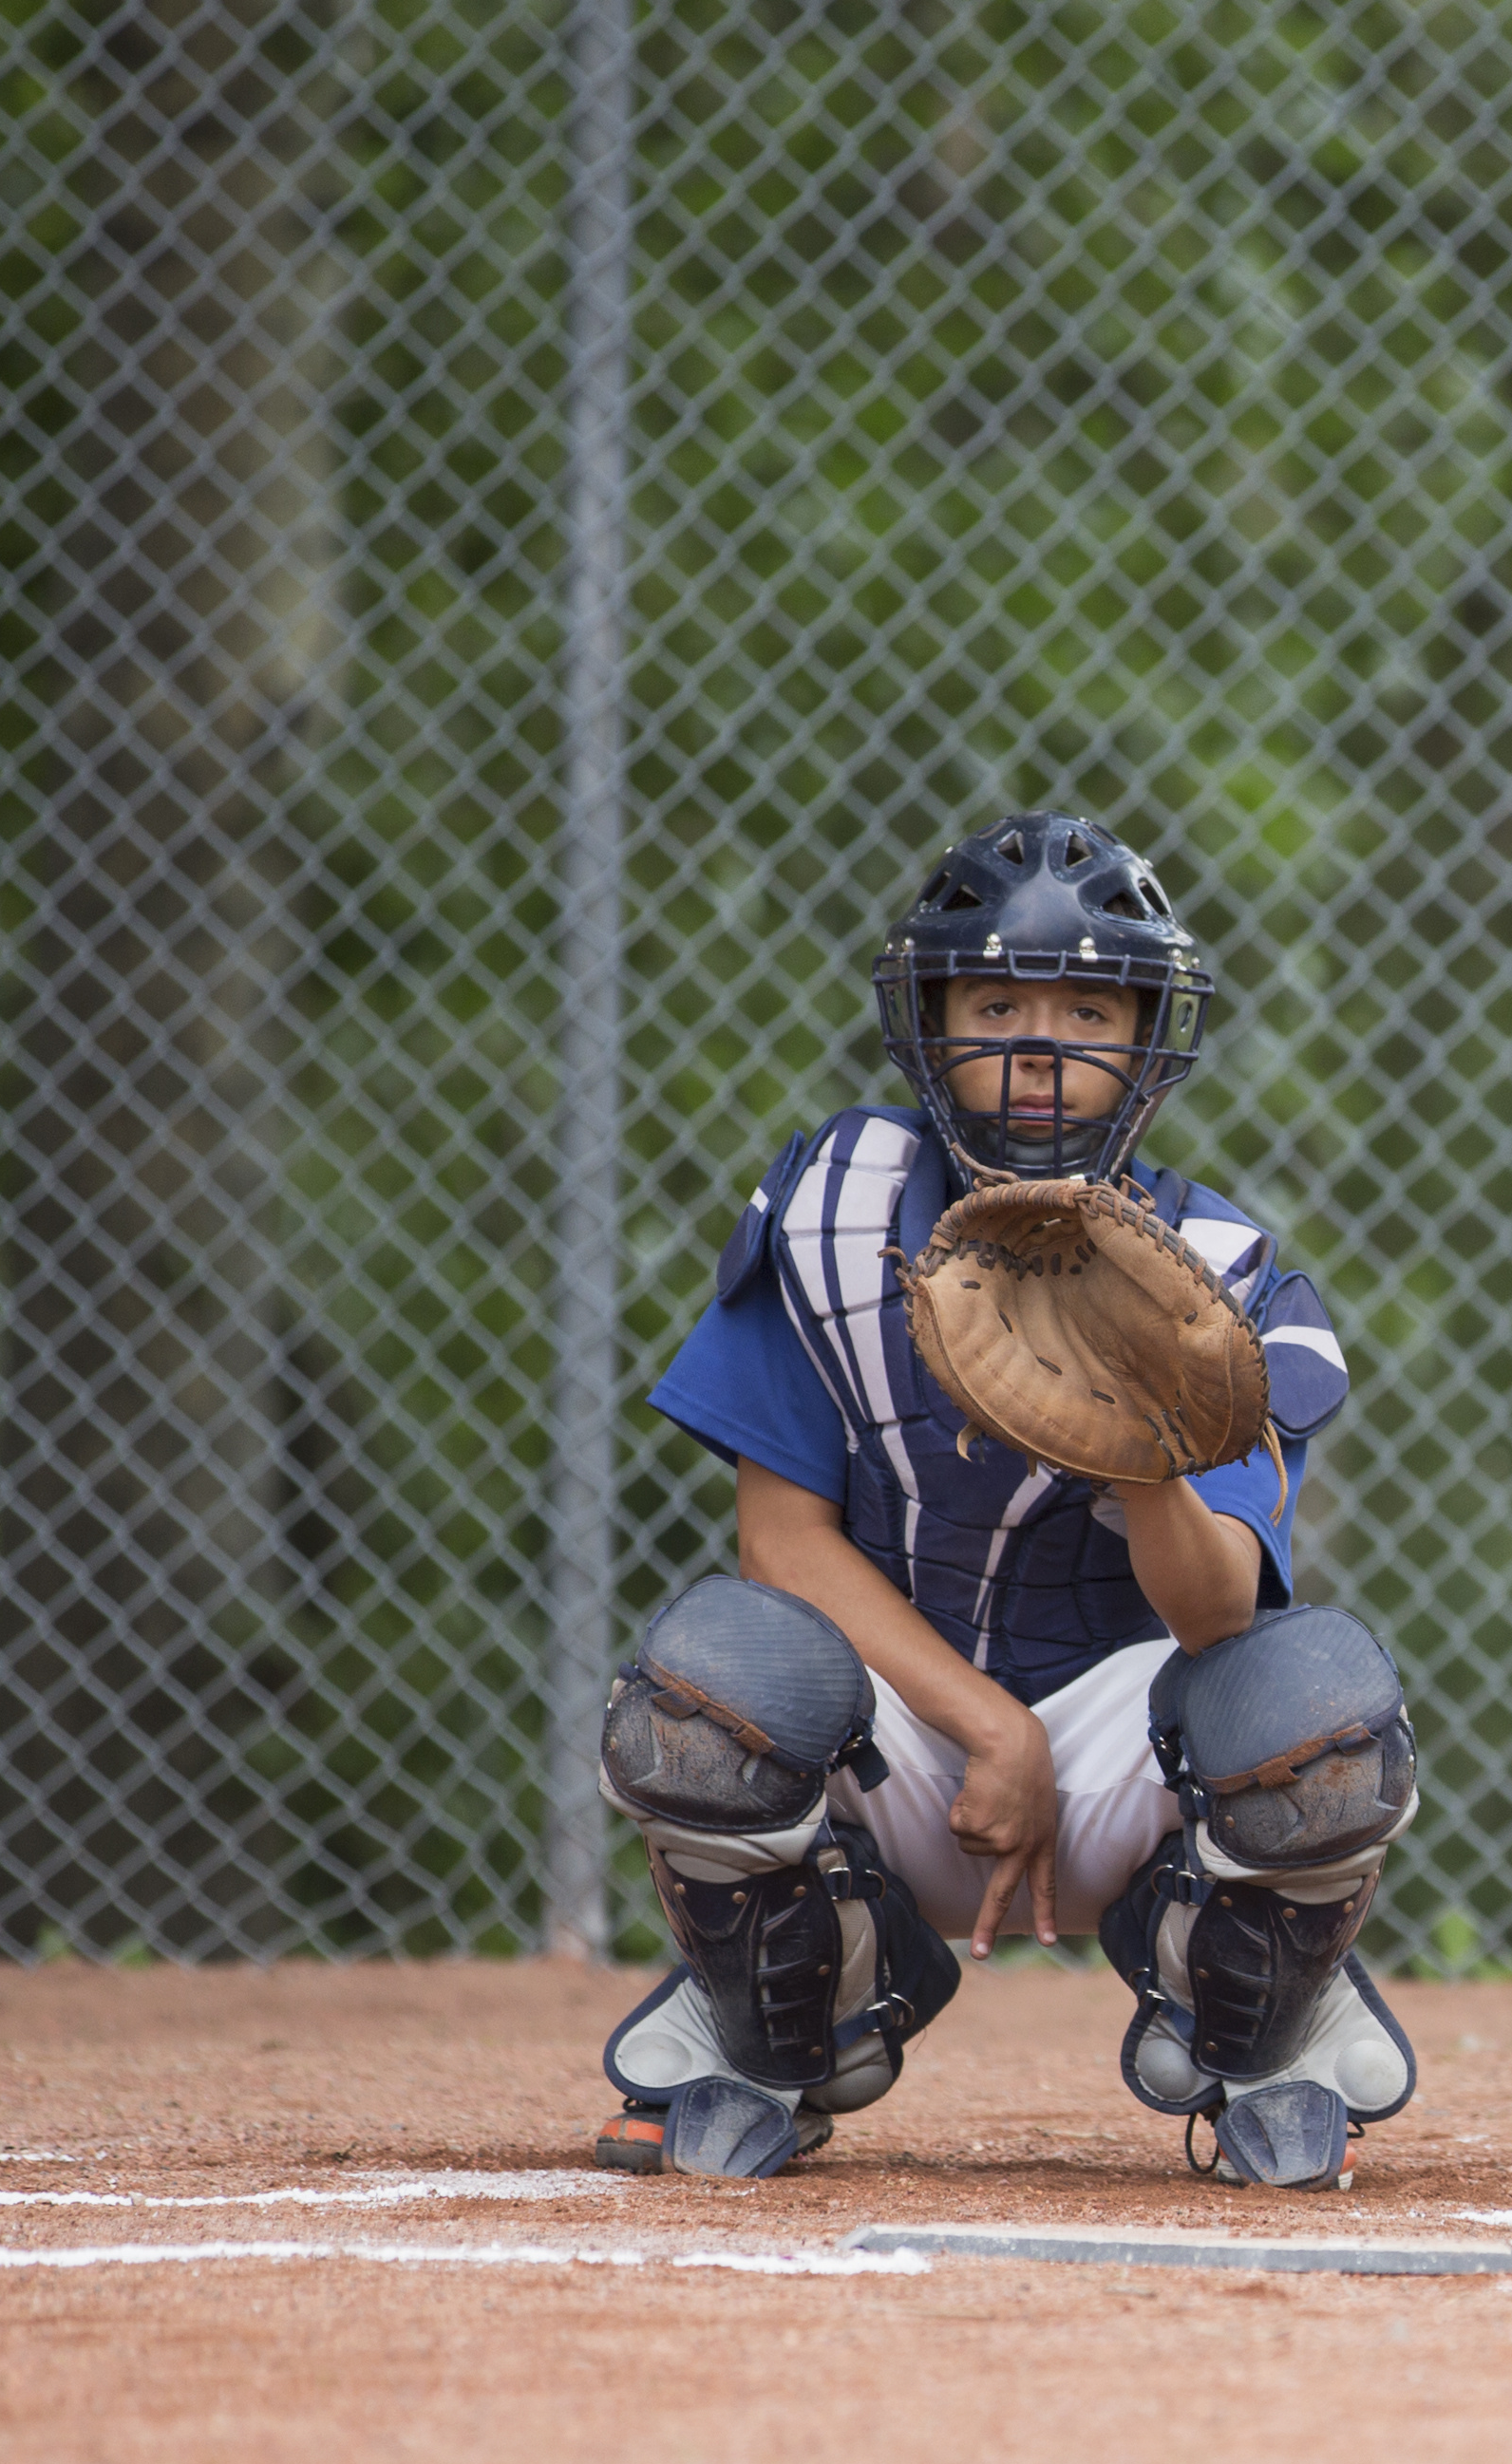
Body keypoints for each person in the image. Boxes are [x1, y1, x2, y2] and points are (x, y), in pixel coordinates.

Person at [585, 810, 1426, 2191]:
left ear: (1151, 1031)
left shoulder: (1218, 1271)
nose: (1039, 1046)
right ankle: (786, 2023)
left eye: (1088, 1004)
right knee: (707, 1682)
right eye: (995, 1001)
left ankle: (1249, 2027)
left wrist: (1147, 1437)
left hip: (1124, 1756)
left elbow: (1220, 1617)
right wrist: (986, 1730)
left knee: (1314, 1706)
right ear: (929, 1020)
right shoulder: (839, 1208)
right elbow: (781, 1542)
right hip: (902, 1738)